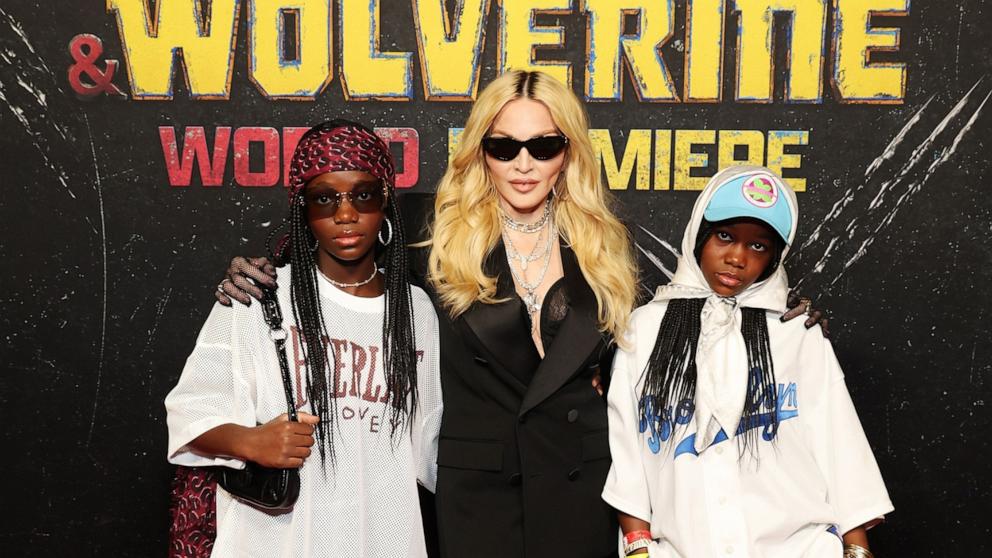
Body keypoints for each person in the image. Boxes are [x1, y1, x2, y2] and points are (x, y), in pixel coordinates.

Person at [215, 74, 830, 557]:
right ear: (481, 150)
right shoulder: (429, 228)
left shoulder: (602, 242)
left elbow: (664, 335)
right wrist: (264, 267)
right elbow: (338, 232)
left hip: (580, 483)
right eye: (505, 145)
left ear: (568, 152)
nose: (524, 163)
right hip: (478, 490)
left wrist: (770, 306)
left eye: (544, 145)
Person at [166, 120, 442, 557]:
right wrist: (249, 441)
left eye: (362, 194)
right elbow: (188, 415)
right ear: (303, 208)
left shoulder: (417, 310)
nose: (345, 214)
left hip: (384, 536)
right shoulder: (258, 297)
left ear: (385, 200)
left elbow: (432, 446)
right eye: (324, 198)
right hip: (276, 540)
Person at [603, 166, 892, 557]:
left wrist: (857, 551)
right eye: (724, 236)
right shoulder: (647, 328)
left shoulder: (796, 329)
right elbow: (627, 451)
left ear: (775, 257)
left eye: (758, 246)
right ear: (699, 233)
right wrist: (639, 548)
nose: (737, 258)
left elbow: (838, 443)